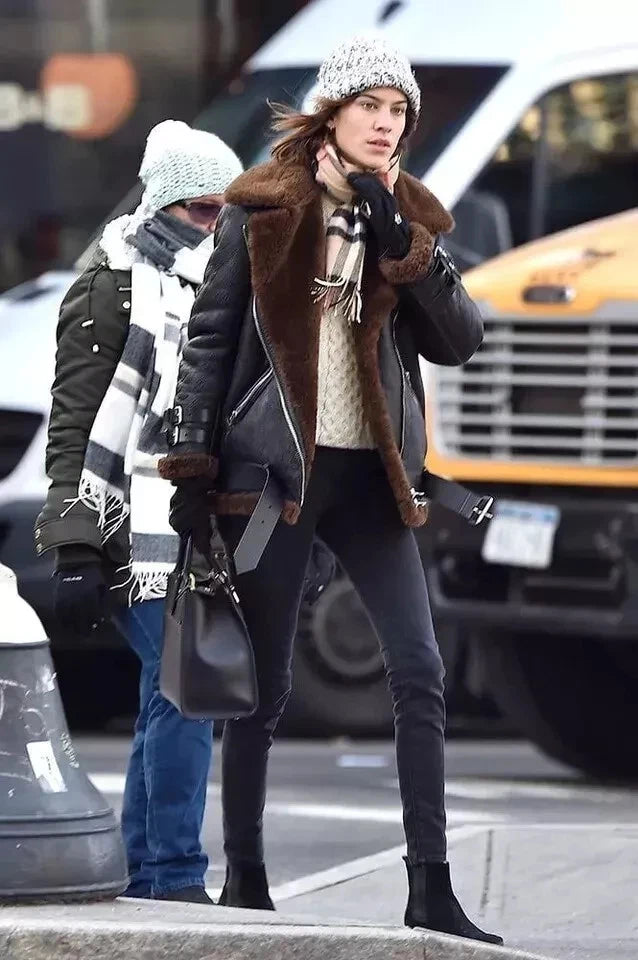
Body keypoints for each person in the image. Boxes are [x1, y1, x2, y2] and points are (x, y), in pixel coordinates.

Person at [160, 36, 502, 944]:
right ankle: (246, 879)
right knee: (264, 686)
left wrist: (401, 243)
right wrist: (192, 466)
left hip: (374, 479)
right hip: (277, 479)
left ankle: (430, 885)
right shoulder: (263, 209)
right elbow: (209, 341)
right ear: (333, 113)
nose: (386, 125)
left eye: (399, 112)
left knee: (421, 671)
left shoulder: (411, 217)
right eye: (370, 107)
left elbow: (461, 339)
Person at [34, 120, 243, 904]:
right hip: (128, 526)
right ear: (162, 205)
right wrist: (75, 548)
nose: (216, 226)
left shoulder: (224, 286)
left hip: (191, 521)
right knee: (185, 689)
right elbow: (75, 425)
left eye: (228, 211)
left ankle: (145, 870)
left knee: (171, 692)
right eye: (202, 209)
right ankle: (174, 873)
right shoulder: (110, 286)